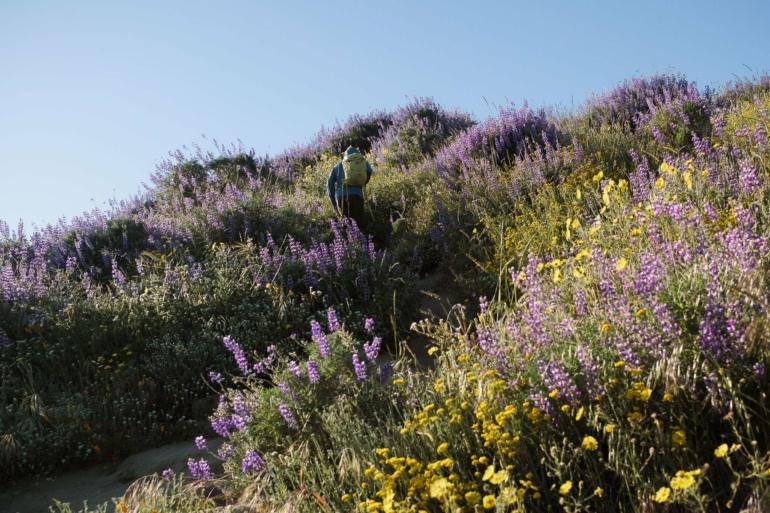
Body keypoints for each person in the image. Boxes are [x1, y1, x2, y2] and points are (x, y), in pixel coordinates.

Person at [327, 145, 373, 231]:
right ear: (357, 154)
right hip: (357, 195)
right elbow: (370, 171)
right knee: (360, 225)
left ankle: (349, 243)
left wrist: (334, 204)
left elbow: (329, 185)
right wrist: (362, 183)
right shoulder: (362, 162)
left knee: (346, 226)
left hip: (341, 197)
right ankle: (361, 242)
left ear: (345, 155)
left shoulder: (338, 166)